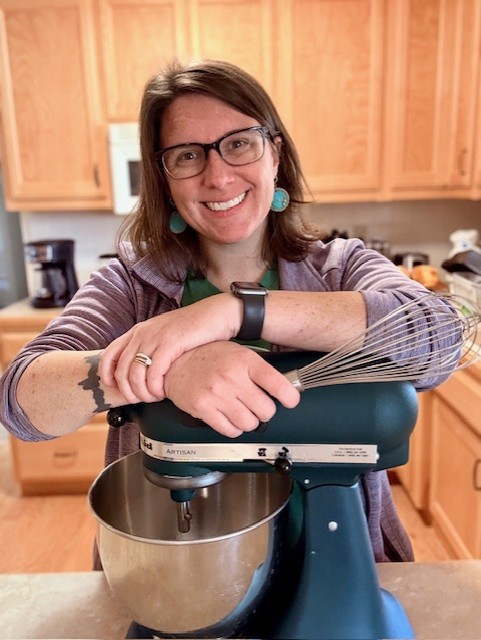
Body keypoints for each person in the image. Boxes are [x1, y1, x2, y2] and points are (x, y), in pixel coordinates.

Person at [0, 59, 457, 566]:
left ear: (274, 153)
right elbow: (21, 402)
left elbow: (440, 339)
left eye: (239, 143)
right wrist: (165, 371)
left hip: (333, 557)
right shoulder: (130, 286)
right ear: (165, 177)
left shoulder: (341, 268)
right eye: (188, 155)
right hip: (175, 571)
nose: (218, 176)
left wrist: (238, 311)